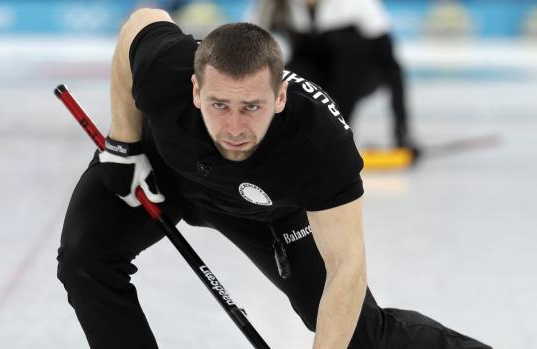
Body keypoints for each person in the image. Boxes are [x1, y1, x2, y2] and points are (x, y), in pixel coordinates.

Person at [56, 8, 489, 349]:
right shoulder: (166, 70)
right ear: (194, 90)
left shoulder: (319, 142)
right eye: (219, 104)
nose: (234, 127)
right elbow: (139, 24)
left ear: (280, 96)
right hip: (159, 170)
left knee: (358, 335)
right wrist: (124, 144)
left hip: (269, 212)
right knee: (84, 260)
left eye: (252, 107)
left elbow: (346, 266)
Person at [249, 0, 420, 152]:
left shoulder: (359, 4)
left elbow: (391, 67)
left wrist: (401, 132)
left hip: (359, 75)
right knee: (285, 72)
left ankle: (339, 135)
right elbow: (250, 57)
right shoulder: (271, 5)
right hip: (313, 73)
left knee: (352, 48)